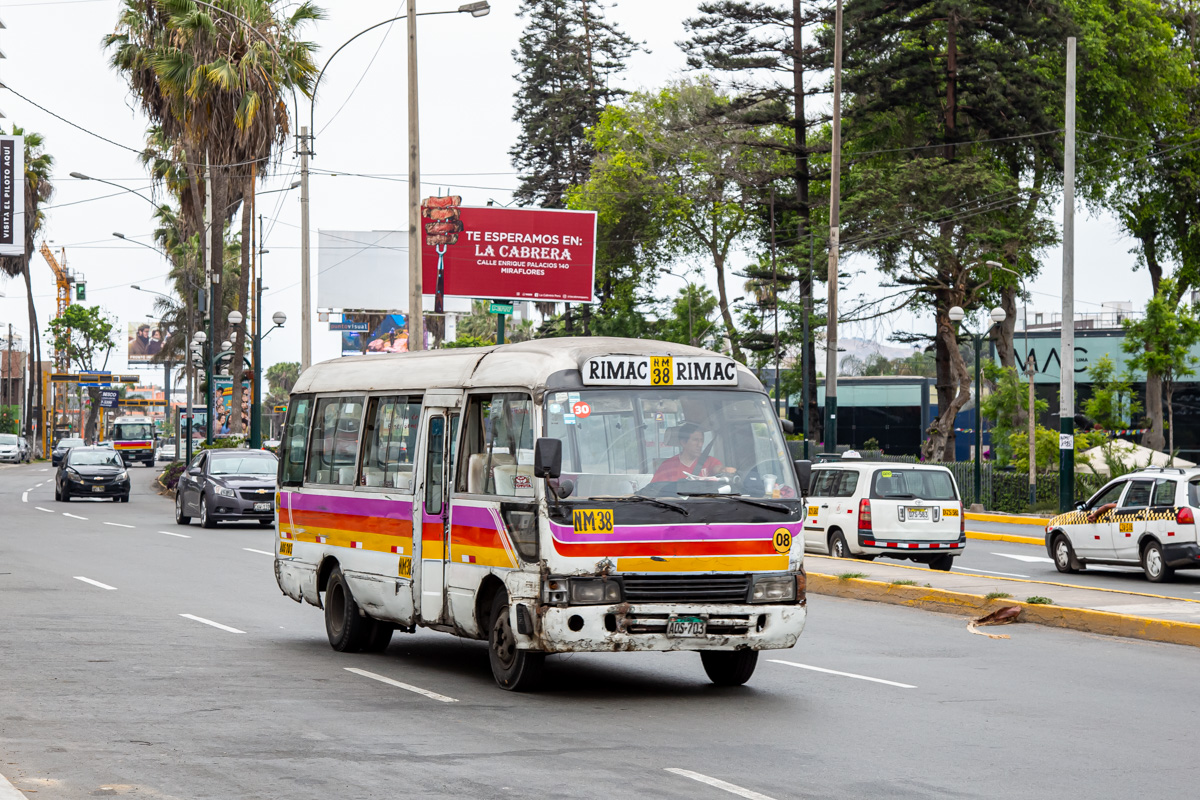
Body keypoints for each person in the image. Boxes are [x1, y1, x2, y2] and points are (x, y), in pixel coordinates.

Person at [652, 422, 727, 482]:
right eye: (695, 440)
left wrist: (724, 471)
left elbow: (719, 470)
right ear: (683, 443)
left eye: (701, 440)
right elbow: (655, 491)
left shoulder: (710, 461)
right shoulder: (667, 467)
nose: (700, 444)